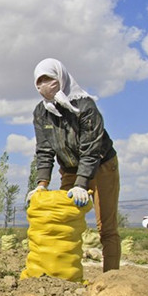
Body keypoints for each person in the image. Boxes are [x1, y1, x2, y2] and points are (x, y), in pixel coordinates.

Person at [26, 58, 120, 272]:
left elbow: (91, 149)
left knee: (106, 227)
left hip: (102, 164)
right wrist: (41, 183)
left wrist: (82, 183)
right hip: (69, 169)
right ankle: (61, 273)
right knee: (64, 220)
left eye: (48, 78)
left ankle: (112, 277)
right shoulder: (41, 113)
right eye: (39, 81)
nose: (44, 85)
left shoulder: (85, 107)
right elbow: (45, 150)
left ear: (61, 77)